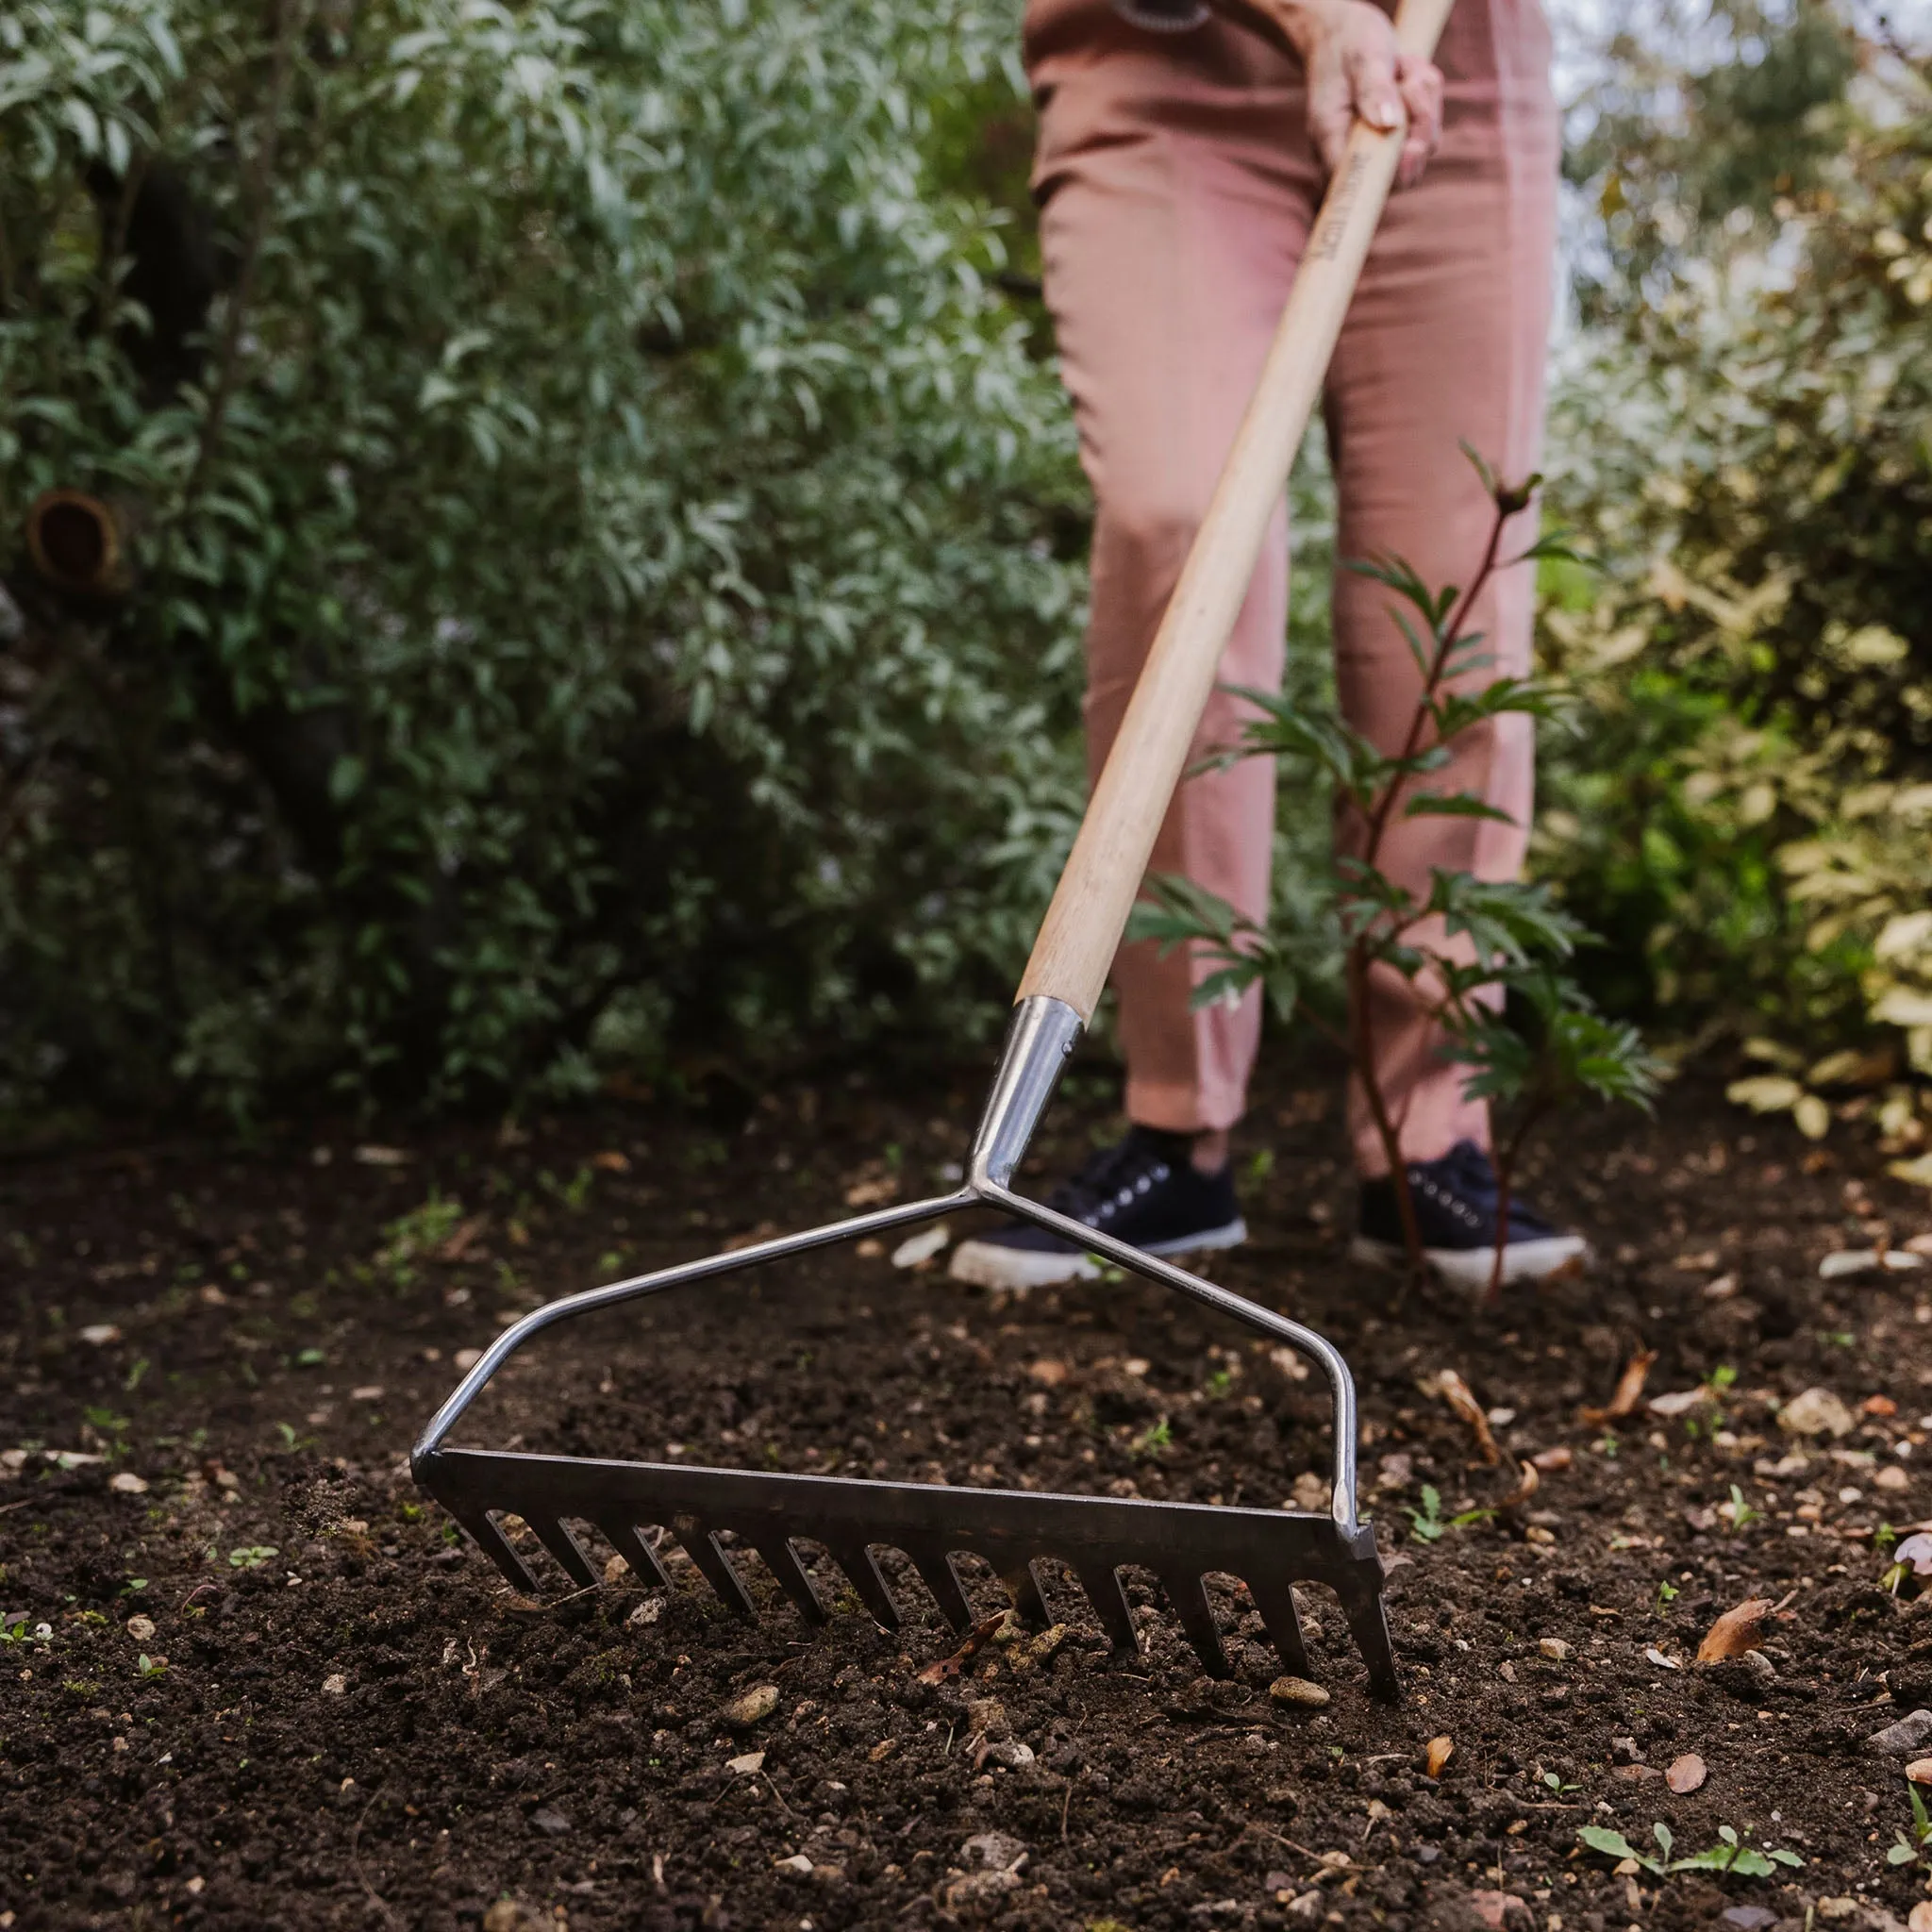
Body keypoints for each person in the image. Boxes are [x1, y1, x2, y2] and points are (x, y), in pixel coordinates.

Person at [950, 0, 1589, 1293]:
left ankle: (1427, 1140)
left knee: (1451, 591)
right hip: (1164, 63)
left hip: (1454, 69)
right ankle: (1176, 1133)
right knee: (1178, 524)